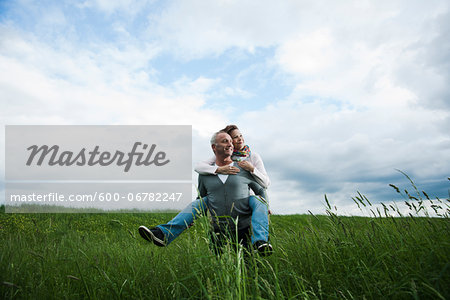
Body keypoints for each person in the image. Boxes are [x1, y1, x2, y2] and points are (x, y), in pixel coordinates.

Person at [139, 129, 272, 255]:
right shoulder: (205, 173)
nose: (231, 144)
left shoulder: (244, 167)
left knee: (248, 271)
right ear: (214, 147)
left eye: (231, 141)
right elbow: (201, 197)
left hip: (243, 229)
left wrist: (265, 209)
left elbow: (261, 189)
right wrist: (190, 218)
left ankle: (260, 241)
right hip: (218, 231)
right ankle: (162, 234)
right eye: (225, 141)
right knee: (219, 272)